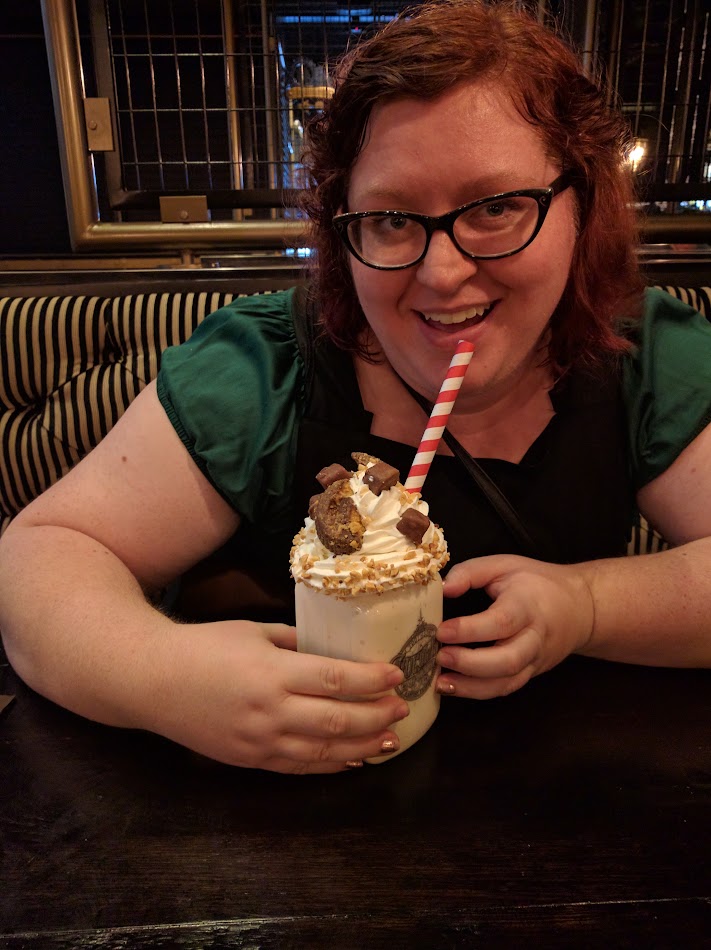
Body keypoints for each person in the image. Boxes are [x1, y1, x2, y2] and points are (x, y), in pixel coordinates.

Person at [1, 0, 710, 774]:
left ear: (585, 204)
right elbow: (40, 556)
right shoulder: (267, 370)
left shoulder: (640, 356)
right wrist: (162, 677)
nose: (442, 273)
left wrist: (589, 606)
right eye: (391, 220)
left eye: (498, 208)